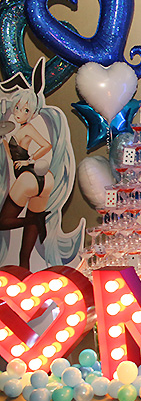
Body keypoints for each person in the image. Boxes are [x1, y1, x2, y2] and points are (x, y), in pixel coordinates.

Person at [0, 58, 84, 269]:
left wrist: (29, 160)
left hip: (28, 179)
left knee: (3, 222)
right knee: (31, 230)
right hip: (45, 181)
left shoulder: (26, 129)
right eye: (18, 108)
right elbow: (13, 156)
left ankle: (33, 221)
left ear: (33, 113)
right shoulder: (19, 130)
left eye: (25, 110)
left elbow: (47, 145)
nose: (19, 113)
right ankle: (25, 266)